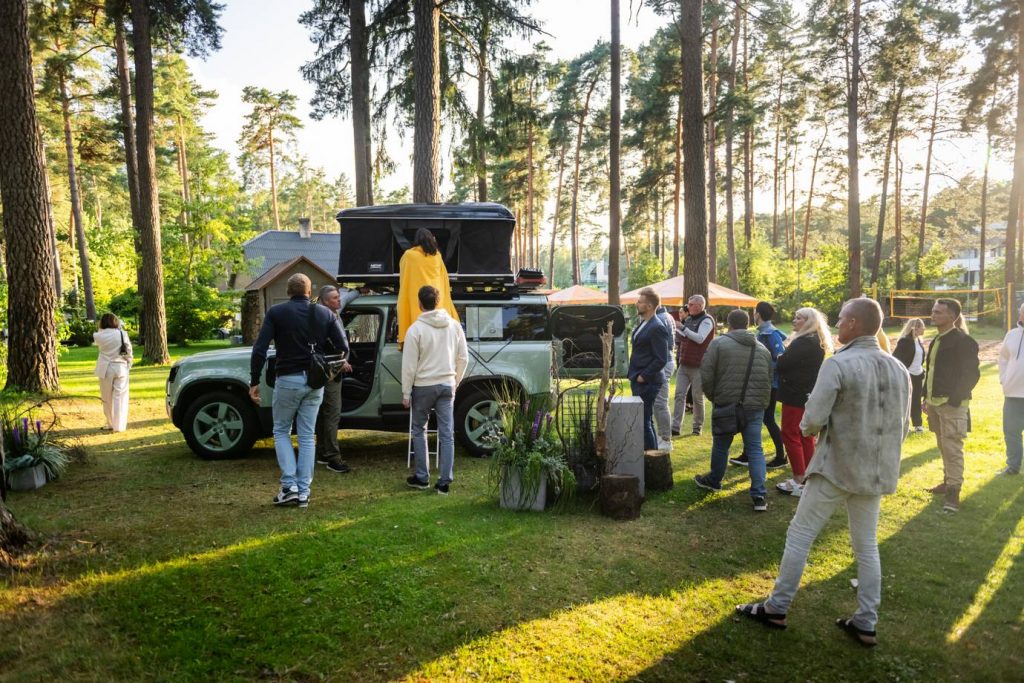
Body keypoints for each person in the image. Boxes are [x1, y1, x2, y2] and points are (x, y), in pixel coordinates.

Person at [735, 298, 910, 648]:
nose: (838, 325)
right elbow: (901, 426)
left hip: (836, 467)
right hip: (874, 472)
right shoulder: (898, 368)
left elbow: (811, 421)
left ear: (855, 325)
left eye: (842, 319)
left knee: (800, 535)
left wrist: (813, 425)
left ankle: (777, 606)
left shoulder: (839, 364)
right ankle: (866, 620)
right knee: (866, 547)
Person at [250, 274, 348, 508]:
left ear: (288, 291)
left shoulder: (277, 313)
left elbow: (260, 349)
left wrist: (254, 381)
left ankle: (289, 487)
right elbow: (343, 347)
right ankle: (304, 492)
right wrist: (328, 367)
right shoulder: (325, 313)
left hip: (288, 378)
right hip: (315, 382)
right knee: (306, 435)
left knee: (282, 430)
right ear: (309, 291)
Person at [694, 309, 773, 511]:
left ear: (728, 323)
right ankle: (759, 495)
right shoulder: (762, 349)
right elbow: (768, 379)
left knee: (721, 445)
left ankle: (714, 480)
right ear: (748, 324)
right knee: (755, 449)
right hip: (754, 406)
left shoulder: (719, 344)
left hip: (727, 403)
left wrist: (713, 396)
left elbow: (707, 372)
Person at [402, 285, 469, 495]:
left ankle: (422, 477)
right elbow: (463, 358)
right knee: (446, 433)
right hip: (447, 383)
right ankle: (444, 482)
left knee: (419, 430)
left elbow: (409, 365)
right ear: (438, 301)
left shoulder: (415, 330)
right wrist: (455, 382)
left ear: (419, 303)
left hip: (423, 385)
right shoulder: (454, 325)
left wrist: (405, 393)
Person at [923, 298, 980, 513]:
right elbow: (932, 372)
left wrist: (954, 400)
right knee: (943, 445)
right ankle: (948, 481)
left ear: (952, 316)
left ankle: (953, 493)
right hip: (933, 403)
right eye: (933, 311)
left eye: (938, 312)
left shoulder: (963, 341)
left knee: (953, 448)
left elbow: (971, 375)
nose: (933, 315)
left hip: (952, 405)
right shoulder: (936, 339)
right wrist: (925, 397)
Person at [775, 307, 833, 497]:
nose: (794, 321)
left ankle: (799, 478)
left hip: (795, 394)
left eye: (799, 318)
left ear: (808, 321)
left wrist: (779, 357)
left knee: (791, 434)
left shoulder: (803, 342)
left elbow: (782, 364)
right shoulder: (816, 341)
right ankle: (808, 476)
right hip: (806, 393)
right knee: (805, 435)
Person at [731, 302, 787, 469]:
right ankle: (750, 454)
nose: (753, 315)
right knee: (755, 418)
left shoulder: (770, 334)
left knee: (766, 418)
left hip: (770, 384)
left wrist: (763, 370)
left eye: (754, 312)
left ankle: (780, 456)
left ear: (758, 315)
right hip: (761, 384)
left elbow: (780, 358)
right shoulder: (762, 333)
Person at [314, 285, 357, 474]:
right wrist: (342, 363)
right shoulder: (322, 318)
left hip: (324, 370)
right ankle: (333, 457)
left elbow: (346, 299)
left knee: (323, 414)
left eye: (338, 297)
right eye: (334, 298)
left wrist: (359, 291)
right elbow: (329, 346)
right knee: (332, 414)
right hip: (328, 372)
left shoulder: (333, 311)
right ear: (324, 301)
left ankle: (323, 453)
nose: (338, 301)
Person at [627, 287, 672, 451]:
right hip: (638, 378)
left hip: (648, 381)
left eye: (640, 302)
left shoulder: (657, 327)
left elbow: (661, 358)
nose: (636, 304)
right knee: (644, 420)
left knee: (644, 421)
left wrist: (643, 376)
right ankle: (648, 456)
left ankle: (652, 459)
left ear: (650, 306)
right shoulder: (644, 323)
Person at [398, 227, 459, 344]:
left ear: (417, 240)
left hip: (418, 304)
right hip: (437, 306)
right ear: (432, 240)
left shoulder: (409, 255)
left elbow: (404, 274)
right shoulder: (437, 257)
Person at [672, 294, 715, 437]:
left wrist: (683, 328)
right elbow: (685, 338)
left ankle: (697, 427)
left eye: (691, 304)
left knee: (697, 398)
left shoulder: (707, 321)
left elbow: (700, 339)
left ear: (700, 306)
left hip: (699, 365)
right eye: (688, 304)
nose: (687, 306)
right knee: (679, 395)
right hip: (684, 364)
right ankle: (675, 427)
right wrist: (676, 331)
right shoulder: (689, 319)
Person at [94, 313, 133, 432]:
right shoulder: (122, 333)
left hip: (105, 368)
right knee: (120, 396)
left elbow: (99, 332)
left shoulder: (98, 335)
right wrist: (129, 363)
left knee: (106, 397)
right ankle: (119, 425)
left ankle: (110, 423)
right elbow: (128, 350)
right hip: (120, 366)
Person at [998, 302, 1024, 476]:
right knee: (1011, 432)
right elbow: (1003, 359)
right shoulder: (1012, 334)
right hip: (1013, 394)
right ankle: (1013, 466)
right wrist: (1004, 379)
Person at [893, 318, 926, 433]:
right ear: (915, 328)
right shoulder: (905, 341)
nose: (924, 329)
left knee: (916, 400)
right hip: (908, 375)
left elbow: (919, 359)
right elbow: (896, 359)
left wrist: (922, 370)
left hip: (918, 375)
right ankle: (901, 424)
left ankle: (918, 425)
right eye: (922, 326)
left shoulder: (919, 341)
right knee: (906, 400)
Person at [653, 304, 677, 451]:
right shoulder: (666, 316)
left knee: (660, 403)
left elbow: (665, 345)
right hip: (666, 361)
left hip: (663, 363)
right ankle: (662, 436)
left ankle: (666, 439)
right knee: (658, 403)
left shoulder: (661, 318)